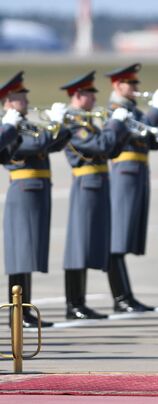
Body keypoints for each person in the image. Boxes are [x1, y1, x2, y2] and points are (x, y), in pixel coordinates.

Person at [1, 71, 71, 328]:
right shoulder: (6, 127)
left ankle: (25, 311)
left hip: (36, 190)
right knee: (20, 256)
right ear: (8, 101)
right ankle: (16, 314)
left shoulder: (21, 124)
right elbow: (31, 146)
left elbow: (51, 145)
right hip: (22, 191)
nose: (26, 103)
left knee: (28, 256)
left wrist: (61, 126)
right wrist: (50, 129)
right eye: (20, 98)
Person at [60, 71, 132, 320]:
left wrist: (121, 130)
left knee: (94, 243)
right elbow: (100, 145)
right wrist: (116, 124)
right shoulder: (73, 122)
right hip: (86, 184)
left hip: (98, 183)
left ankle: (80, 302)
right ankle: (74, 304)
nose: (94, 98)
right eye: (90, 94)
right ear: (79, 95)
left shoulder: (86, 120)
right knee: (78, 245)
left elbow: (110, 150)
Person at [104, 63, 158, 313]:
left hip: (138, 173)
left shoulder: (131, 109)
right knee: (117, 239)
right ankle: (121, 297)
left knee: (125, 237)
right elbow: (137, 134)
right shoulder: (115, 110)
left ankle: (125, 296)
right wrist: (156, 112)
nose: (134, 88)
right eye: (130, 84)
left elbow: (151, 142)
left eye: (135, 84)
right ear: (117, 85)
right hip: (124, 173)